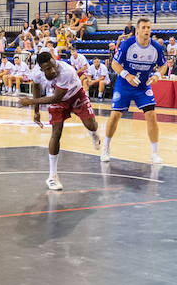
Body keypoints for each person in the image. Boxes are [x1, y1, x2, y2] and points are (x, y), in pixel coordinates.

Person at [18, 50, 104, 190]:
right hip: (58, 101)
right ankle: (52, 176)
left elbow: (56, 97)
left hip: (76, 95)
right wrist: (36, 111)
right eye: (47, 69)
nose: (52, 70)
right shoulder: (37, 73)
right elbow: (36, 87)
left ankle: (93, 133)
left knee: (91, 125)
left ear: (54, 61)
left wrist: (30, 102)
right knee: (56, 133)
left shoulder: (66, 71)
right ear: (41, 69)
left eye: (53, 66)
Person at [102, 17, 167, 164]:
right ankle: (106, 147)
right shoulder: (127, 44)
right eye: (143, 27)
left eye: (149, 28)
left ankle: (154, 153)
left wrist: (157, 75)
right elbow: (114, 64)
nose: (146, 30)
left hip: (143, 86)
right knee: (115, 116)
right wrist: (127, 75)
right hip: (124, 84)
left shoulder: (156, 47)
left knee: (151, 115)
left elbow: (163, 66)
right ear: (137, 30)